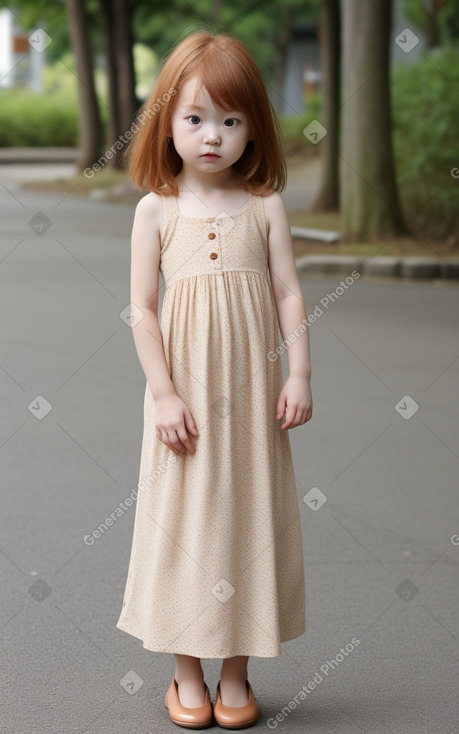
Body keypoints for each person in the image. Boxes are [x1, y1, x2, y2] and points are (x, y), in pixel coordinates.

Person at [116, 29, 313, 729]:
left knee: (245, 523)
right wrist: (164, 394)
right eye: (195, 118)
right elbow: (140, 308)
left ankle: (237, 671)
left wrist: (298, 374)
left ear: (253, 128)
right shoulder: (156, 210)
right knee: (185, 527)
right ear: (165, 121)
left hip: (254, 403)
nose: (212, 136)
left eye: (231, 120)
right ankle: (184, 673)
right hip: (185, 403)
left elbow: (289, 293)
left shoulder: (263, 206)